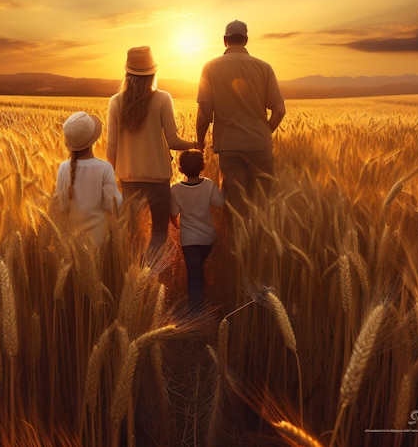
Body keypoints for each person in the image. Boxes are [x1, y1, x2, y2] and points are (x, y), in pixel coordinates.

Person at [107, 46, 197, 253]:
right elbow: (173, 141)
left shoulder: (115, 102)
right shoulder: (163, 98)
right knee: (158, 233)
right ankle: (149, 273)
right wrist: (193, 144)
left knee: (130, 233)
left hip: (128, 179)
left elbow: (112, 148)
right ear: (152, 73)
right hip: (158, 178)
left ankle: (133, 272)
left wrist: (113, 177)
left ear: (127, 73)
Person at [196, 20, 286, 210]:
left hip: (229, 146)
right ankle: (261, 239)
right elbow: (279, 110)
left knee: (235, 206)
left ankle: (237, 239)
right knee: (262, 205)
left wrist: (199, 142)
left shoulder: (210, 68)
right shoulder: (264, 68)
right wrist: (263, 131)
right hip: (260, 145)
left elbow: (204, 114)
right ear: (245, 40)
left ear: (224, 40)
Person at [54, 111, 123, 247]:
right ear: (93, 140)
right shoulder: (104, 168)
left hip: (70, 241)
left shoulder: (63, 168)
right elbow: (114, 206)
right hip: (98, 240)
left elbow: (61, 205)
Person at [170, 150, 224, 309]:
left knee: (194, 275)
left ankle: (196, 313)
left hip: (189, 240)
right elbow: (219, 203)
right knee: (198, 269)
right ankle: (202, 299)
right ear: (203, 166)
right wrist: (223, 184)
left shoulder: (175, 189)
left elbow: (173, 213)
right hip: (208, 238)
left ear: (180, 169)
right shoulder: (208, 185)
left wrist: (177, 225)